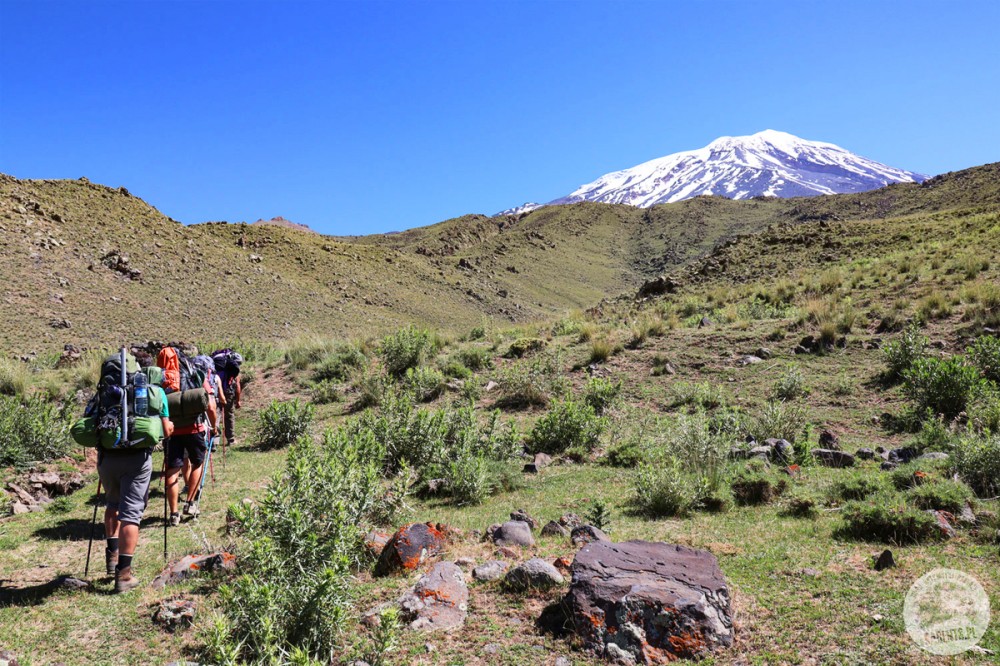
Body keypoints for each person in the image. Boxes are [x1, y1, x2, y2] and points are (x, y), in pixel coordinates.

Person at [97, 356, 173, 593]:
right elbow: (166, 429)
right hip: (137, 459)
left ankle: (112, 559)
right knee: (131, 513)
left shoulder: (103, 391)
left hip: (107, 457)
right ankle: (124, 575)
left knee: (112, 504)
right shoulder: (150, 391)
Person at [164, 373, 218, 525]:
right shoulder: (196, 374)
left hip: (173, 431)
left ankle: (174, 514)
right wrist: (214, 428)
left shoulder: (167, 378)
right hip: (194, 428)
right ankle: (190, 503)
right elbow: (211, 407)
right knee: (197, 463)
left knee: (172, 470)